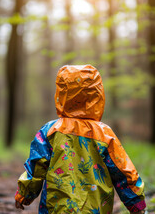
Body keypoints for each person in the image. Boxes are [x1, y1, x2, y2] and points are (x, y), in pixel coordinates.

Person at [15, 65, 146, 213]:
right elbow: (123, 171)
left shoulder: (51, 131)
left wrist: (24, 194)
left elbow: (36, 165)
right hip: (96, 209)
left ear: (62, 93)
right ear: (97, 95)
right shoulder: (104, 134)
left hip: (57, 208)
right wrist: (136, 204)